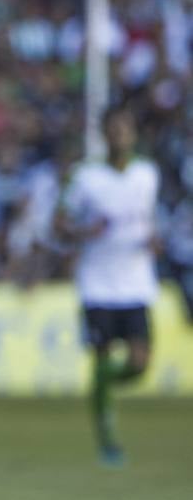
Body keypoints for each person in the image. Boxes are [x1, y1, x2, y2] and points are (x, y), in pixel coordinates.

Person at [55, 108, 159, 466]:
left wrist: (154, 241)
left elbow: (149, 220)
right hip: (97, 284)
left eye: (125, 129)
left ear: (133, 134)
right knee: (101, 356)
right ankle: (108, 441)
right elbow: (59, 225)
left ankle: (101, 388)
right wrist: (85, 232)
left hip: (135, 281)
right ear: (104, 134)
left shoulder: (147, 174)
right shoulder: (86, 177)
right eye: (113, 130)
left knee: (139, 363)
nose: (119, 136)